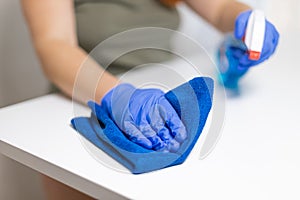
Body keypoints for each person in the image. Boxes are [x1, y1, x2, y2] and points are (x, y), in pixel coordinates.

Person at [21, 0, 279, 199]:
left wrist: (246, 23)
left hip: (160, 101)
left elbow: (220, 7)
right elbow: (54, 44)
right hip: (79, 100)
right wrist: (118, 96)